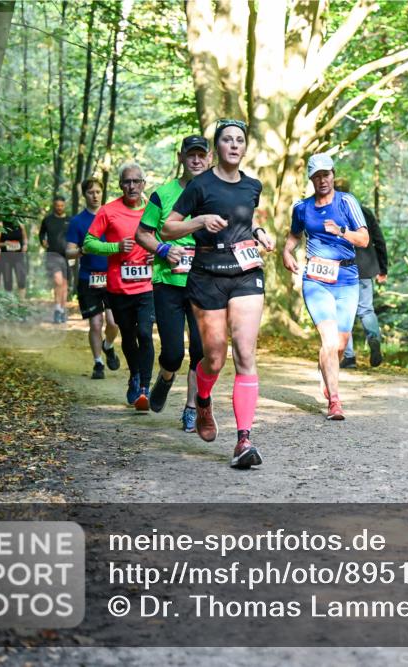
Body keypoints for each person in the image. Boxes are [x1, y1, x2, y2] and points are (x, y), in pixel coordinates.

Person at [161, 119, 275, 469]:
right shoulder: (200, 184)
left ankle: (243, 440)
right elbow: (168, 227)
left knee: (244, 351)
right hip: (207, 275)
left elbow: (248, 219)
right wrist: (199, 222)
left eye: (240, 140)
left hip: (245, 272)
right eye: (228, 140)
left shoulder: (253, 185)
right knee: (214, 358)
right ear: (218, 147)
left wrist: (260, 232)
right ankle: (204, 399)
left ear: (244, 147)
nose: (234, 145)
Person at [282, 153, 369, 420]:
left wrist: (341, 231)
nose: (322, 180)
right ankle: (335, 402)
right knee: (329, 342)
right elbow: (294, 235)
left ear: (333, 174)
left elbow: (364, 239)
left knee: (340, 346)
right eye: (317, 176)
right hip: (316, 279)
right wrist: (287, 252)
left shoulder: (347, 202)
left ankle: (325, 369)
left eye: (326, 174)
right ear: (311, 179)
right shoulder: (302, 208)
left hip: (347, 277)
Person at [135, 135, 210, 431]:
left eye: (201, 155)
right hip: (168, 283)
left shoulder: (216, 194)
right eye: (190, 155)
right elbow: (142, 234)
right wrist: (165, 250)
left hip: (205, 283)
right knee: (173, 353)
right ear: (180, 157)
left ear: (210, 159)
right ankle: (166, 377)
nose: (196, 160)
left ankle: (192, 406)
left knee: (201, 350)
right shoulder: (161, 195)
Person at [83, 164, 153, 410]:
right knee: (129, 335)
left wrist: (158, 254)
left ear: (143, 183)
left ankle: (145, 387)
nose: (132, 186)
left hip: (147, 286)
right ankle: (134, 376)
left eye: (136, 181)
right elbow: (89, 243)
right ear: (120, 185)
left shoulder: (153, 211)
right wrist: (114, 247)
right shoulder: (108, 211)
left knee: (145, 333)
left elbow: (166, 238)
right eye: (127, 182)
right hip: (119, 287)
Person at [66, 177, 121, 379]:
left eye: (98, 192)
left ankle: (108, 345)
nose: (95, 196)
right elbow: (69, 251)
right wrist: (83, 249)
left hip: (113, 276)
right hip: (89, 278)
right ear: (84, 195)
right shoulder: (77, 222)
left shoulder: (112, 216)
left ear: (102, 193)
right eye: (91, 192)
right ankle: (98, 363)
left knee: (114, 323)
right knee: (96, 323)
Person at [335, 178, 388, 369]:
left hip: (341, 267)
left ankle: (349, 356)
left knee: (342, 311)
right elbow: (379, 240)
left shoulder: (332, 211)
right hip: (365, 267)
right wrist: (383, 268)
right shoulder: (364, 211)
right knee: (366, 309)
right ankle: (373, 338)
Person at [39, 195, 70, 323]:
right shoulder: (48, 220)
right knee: (57, 282)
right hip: (52, 254)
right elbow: (41, 233)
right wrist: (43, 241)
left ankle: (62, 311)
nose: (59, 208)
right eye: (57, 206)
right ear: (54, 206)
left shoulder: (70, 220)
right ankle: (57, 309)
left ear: (64, 206)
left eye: (62, 206)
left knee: (64, 284)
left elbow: (77, 235)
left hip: (68, 255)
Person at [0, 218, 28, 299]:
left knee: (21, 279)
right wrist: (5, 243)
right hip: (5, 256)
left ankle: (22, 303)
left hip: (18, 256)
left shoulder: (20, 223)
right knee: (7, 280)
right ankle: (10, 303)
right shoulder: (1, 224)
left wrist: (25, 245)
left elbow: (25, 238)